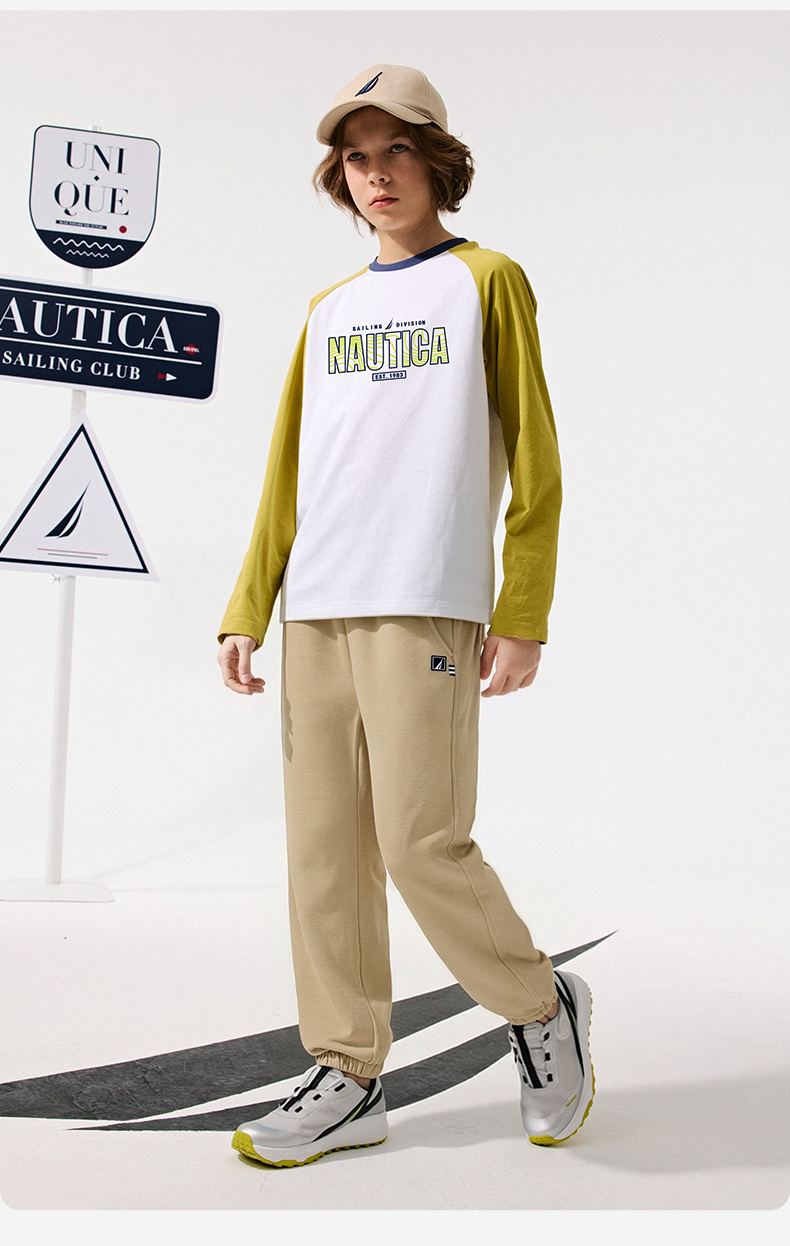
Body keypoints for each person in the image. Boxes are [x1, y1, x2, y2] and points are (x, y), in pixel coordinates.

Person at [217, 63, 594, 1168]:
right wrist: (249, 604)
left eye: (396, 152)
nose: (375, 175)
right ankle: (347, 1072)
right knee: (324, 855)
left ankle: (539, 1006)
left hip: (426, 601)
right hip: (316, 609)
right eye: (356, 157)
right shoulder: (328, 310)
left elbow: (537, 457)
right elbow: (288, 473)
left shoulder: (487, 281)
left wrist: (522, 608)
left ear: (438, 163)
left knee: (422, 840)